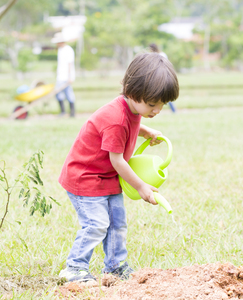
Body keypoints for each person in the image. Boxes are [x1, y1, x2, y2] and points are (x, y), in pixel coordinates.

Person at [58, 53, 179, 282]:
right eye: (152, 104)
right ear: (132, 92)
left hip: (106, 177)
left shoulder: (132, 109)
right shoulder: (115, 118)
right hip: (86, 177)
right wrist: (141, 186)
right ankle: (74, 267)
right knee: (97, 224)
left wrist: (145, 130)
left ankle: (115, 266)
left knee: (117, 223)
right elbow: (118, 160)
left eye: (162, 105)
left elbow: (131, 122)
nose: (157, 110)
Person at [51, 32, 76, 117]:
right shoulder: (60, 50)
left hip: (66, 77)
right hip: (60, 76)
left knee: (68, 93)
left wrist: (70, 77)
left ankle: (72, 113)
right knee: (58, 93)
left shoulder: (68, 50)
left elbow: (70, 64)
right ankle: (63, 111)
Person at [149, 43, 176, 113]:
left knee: (165, 96)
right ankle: (173, 111)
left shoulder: (161, 55)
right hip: (158, 79)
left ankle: (174, 110)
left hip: (163, 79)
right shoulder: (154, 56)